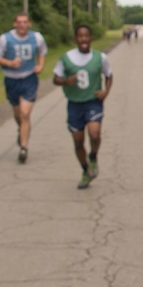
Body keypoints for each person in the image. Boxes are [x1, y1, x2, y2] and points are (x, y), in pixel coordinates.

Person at [52, 24, 113, 189]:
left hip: (93, 102)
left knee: (94, 134)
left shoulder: (100, 57)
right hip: (74, 104)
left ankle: (93, 156)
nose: (83, 39)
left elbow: (109, 75)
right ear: (75, 39)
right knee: (78, 141)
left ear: (91, 38)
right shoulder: (66, 58)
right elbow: (55, 79)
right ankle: (85, 170)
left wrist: (105, 91)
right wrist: (65, 81)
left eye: (86, 36)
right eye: (80, 36)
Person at [0, 12, 47, 164]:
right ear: (14, 24)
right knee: (18, 114)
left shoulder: (36, 38)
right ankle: (22, 130)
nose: (22, 25)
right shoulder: (5, 39)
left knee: (25, 112)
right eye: (19, 22)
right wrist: (9, 63)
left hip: (29, 78)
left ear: (29, 24)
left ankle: (24, 147)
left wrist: (41, 66)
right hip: (11, 80)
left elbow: (42, 52)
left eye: (25, 22)